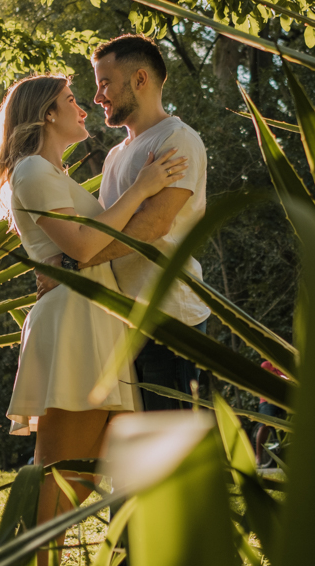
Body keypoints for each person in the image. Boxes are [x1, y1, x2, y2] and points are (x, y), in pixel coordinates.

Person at [0, 73, 187, 566]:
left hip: (94, 319)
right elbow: (83, 246)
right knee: (57, 480)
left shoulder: (53, 173)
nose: (83, 107)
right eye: (71, 100)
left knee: (82, 479)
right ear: (47, 114)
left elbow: (85, 248)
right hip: (74, 323)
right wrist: (143, 187)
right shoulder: (31, 169)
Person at [38, 35, 210, 411]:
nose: (97, 97)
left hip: (169, 319)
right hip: (122, 322)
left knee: (177, 451)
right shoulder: (117, 154)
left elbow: (154, 225)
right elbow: (105, 228)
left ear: (140, 79)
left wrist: (70, 266)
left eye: (104, 83)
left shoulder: (177, 139)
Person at [255, 360, 288, 468]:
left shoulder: (286, 367)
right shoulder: (266, 365)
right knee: (265, 424)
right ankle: (258, 457)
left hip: (283, 400)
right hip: (267, 400)